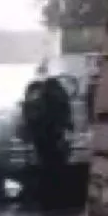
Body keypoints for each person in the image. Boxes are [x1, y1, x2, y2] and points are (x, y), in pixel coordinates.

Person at [18, 76, 74, 206]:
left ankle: (45, 195)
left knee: (46, 165)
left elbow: (30, 120)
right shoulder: (59, 99)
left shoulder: (36, 102)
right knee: (56, 166)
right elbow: (64, 117)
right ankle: (56, 195)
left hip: (42, 138)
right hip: (54, 137)